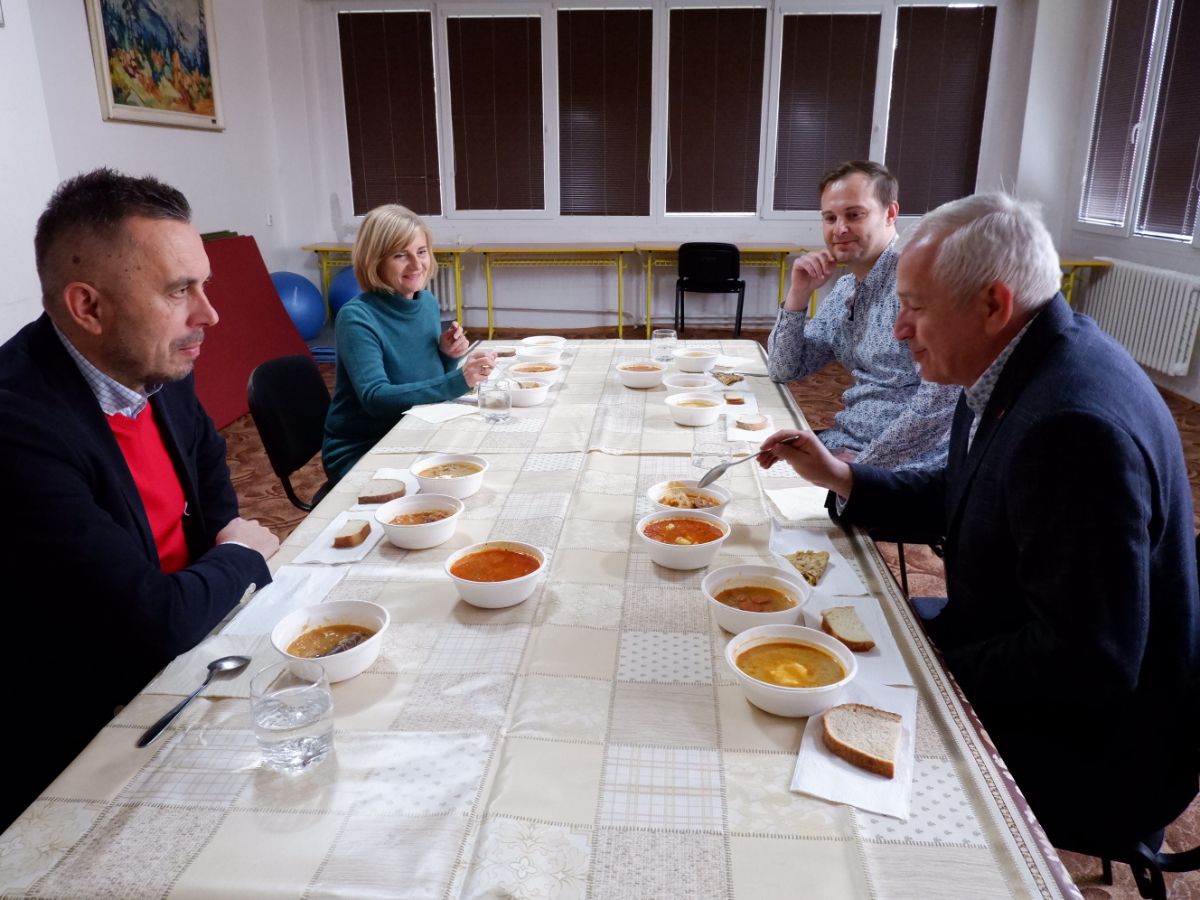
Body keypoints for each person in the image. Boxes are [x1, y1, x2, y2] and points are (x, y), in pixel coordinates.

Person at [758, 191, 1200, 853]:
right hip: (1015, 640)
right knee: (823, 640)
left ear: (993, 303)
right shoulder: (1015, 357)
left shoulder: (1072, 427)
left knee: (809, 729)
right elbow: (966, 490)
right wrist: (842, 477)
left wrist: (925, 670)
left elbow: (1086, 663)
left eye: (915, 306)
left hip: (1095, 747)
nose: (900, 329)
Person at [0, 168, 279, 829]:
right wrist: (239, 559)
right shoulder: (17, 427)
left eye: (203, 284)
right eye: (179, 290)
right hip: (84, 726)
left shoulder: (151, 360)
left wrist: (221, 549)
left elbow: (208, 460)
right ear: (88, 307)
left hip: (191, 644)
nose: (208, 314)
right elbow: (148, 624)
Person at [768, 161, 958, 470]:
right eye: (830, 218)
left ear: (890, 213)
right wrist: (798, 294)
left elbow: (940, 403)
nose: (839, 229)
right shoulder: (846, 289)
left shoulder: (920, 285)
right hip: (846, 442)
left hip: (906, 465)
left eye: (854, 215)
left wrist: (860, 470)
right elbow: (784, 369)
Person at [323, 204, 495, 482]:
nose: (416, 265)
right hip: (366, 447)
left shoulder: (426, 302)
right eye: (400, 255)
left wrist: (446, 355)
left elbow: (423, 383)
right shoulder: (356, 317)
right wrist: (459, 379)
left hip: (415, 430)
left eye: (421, 251)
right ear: (375, 260)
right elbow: (376, 398)